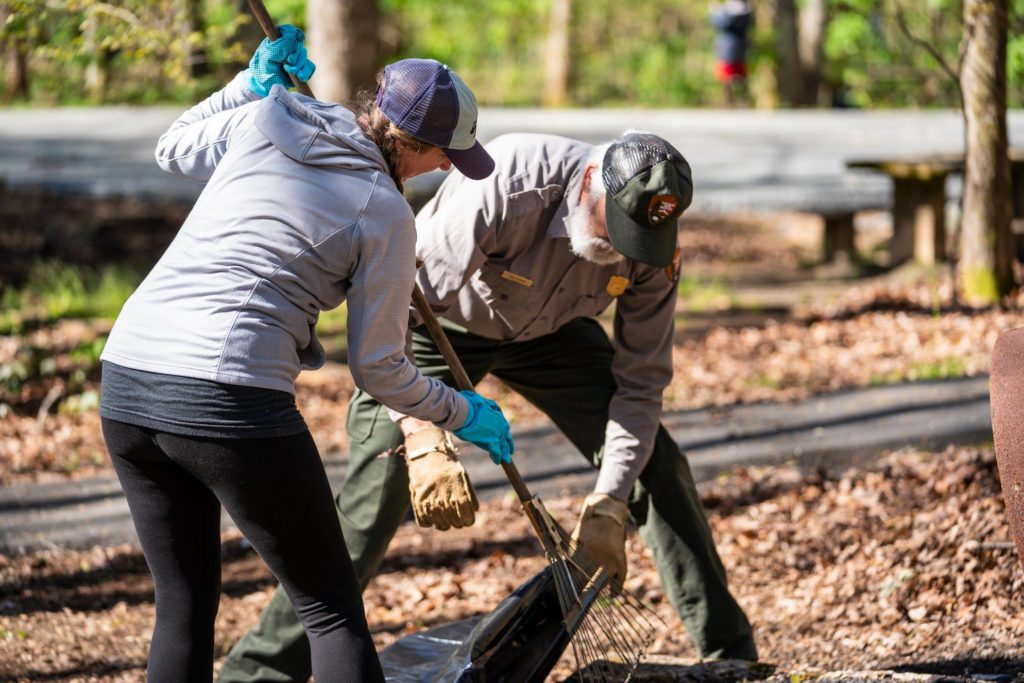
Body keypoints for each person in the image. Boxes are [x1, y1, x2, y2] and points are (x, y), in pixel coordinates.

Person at [217, 131, 757, 683]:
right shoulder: (511, 182)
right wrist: (421, 432)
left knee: (657, 467)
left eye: (638, 239)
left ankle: (731, 657)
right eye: (615, 228)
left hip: (554, 336)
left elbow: (641, 385)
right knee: (380, 489)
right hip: (433, 326)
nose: (622, 248)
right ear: (591, 180)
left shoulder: (653, 248)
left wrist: (610, 500)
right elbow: (391, 315)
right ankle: (255, 674)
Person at [99, 25, 513, 683]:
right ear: (416, 146)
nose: (445, 170)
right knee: (330, 612)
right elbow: (378, 366)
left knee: (183, 602)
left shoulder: (270, 117)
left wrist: (247, 86)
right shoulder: (383, 212)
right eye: (445, 157)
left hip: (127, 378)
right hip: (226, 393)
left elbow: (172, 146)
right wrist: (459, 410)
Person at [710, 0, 753, 107]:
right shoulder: (745, 11)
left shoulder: (732, 12)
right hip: (738, 47)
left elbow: (721, 23)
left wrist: (715, 12)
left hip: (728, 48)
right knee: (733, 76)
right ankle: (737, 100)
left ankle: (732, 101)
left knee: (729, 76)